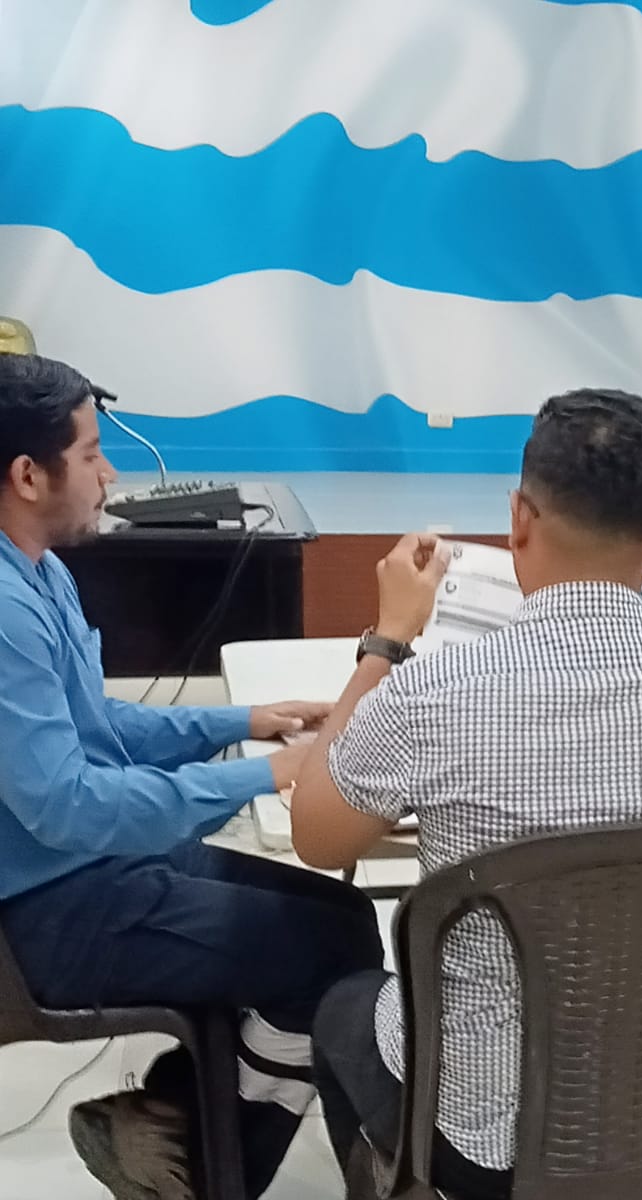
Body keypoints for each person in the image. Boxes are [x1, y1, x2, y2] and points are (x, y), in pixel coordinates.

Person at [293, 388, 642, 1199]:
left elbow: (317, 838)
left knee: (343, 1006)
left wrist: (386, 642)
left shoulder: (433, 692)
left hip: (478, 1139)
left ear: (519, 520)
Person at [0, 353, 381, 1200]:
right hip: (43, 912)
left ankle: (167, 1117)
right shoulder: (4, 609)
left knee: (349, 921)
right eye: (91, 454)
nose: (109, 473)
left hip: (85, 869)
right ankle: (209, 1173)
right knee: (325, 953)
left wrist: (242, 722)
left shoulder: (40, 571)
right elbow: (69, 805)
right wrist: (266, 774)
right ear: (28, 475)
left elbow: (98, 727)